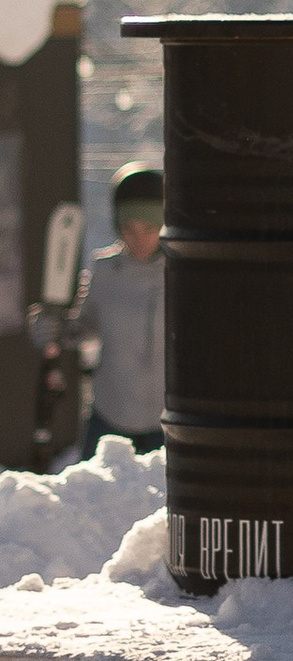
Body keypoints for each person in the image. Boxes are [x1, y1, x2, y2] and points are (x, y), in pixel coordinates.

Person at [74, 162, 164, 453]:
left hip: (166, 422)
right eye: (129, 228)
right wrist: (56, 328)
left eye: (149, 228)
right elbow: (84, 328)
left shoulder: (184, 275)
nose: (139, 239)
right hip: (110, 418)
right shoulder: (104, 271)